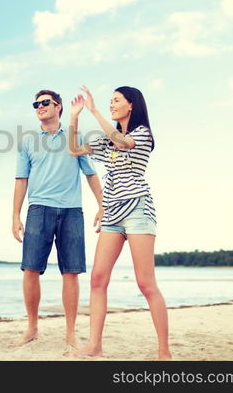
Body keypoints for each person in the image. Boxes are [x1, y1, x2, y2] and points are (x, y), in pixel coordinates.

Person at [68, 85, 172, 360]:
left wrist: (94, 110)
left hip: (138, 209)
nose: (111, 104)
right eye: (109, 101)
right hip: (112, 214)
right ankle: (94, 345)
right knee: (98, 279)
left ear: (131, 105)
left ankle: (164, 351)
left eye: (116, 100)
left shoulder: (142, 134)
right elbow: (73, 150)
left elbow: (123, 142)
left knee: (146, 283)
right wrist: (75, 117)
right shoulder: (106, 139)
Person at [12, 89, 104, 348]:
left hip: (72, 210)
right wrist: (15, 216)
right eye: (36, 104)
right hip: (39, 209)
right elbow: (21, 180)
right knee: (30, 269)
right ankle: (32, 328)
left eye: (45, 103)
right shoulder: (28, 141)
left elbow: (90, 174)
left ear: (59, 107)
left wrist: (102, 205)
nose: (39, 107)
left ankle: (71, 332)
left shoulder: (75, 138)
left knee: (71, 272)